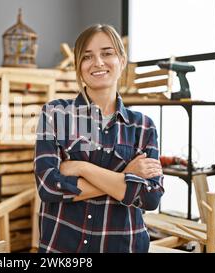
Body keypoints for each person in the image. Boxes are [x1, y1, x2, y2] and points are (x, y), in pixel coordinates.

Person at [34, 24, 164, 253]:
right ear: (78, 66)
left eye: (107, 53)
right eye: (87, 56)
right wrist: (126, 177)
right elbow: (48, 187)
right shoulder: (55, 114)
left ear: (122, 61)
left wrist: (81, 167)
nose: (98, 62)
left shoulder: (143, 126)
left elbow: (150, 198)